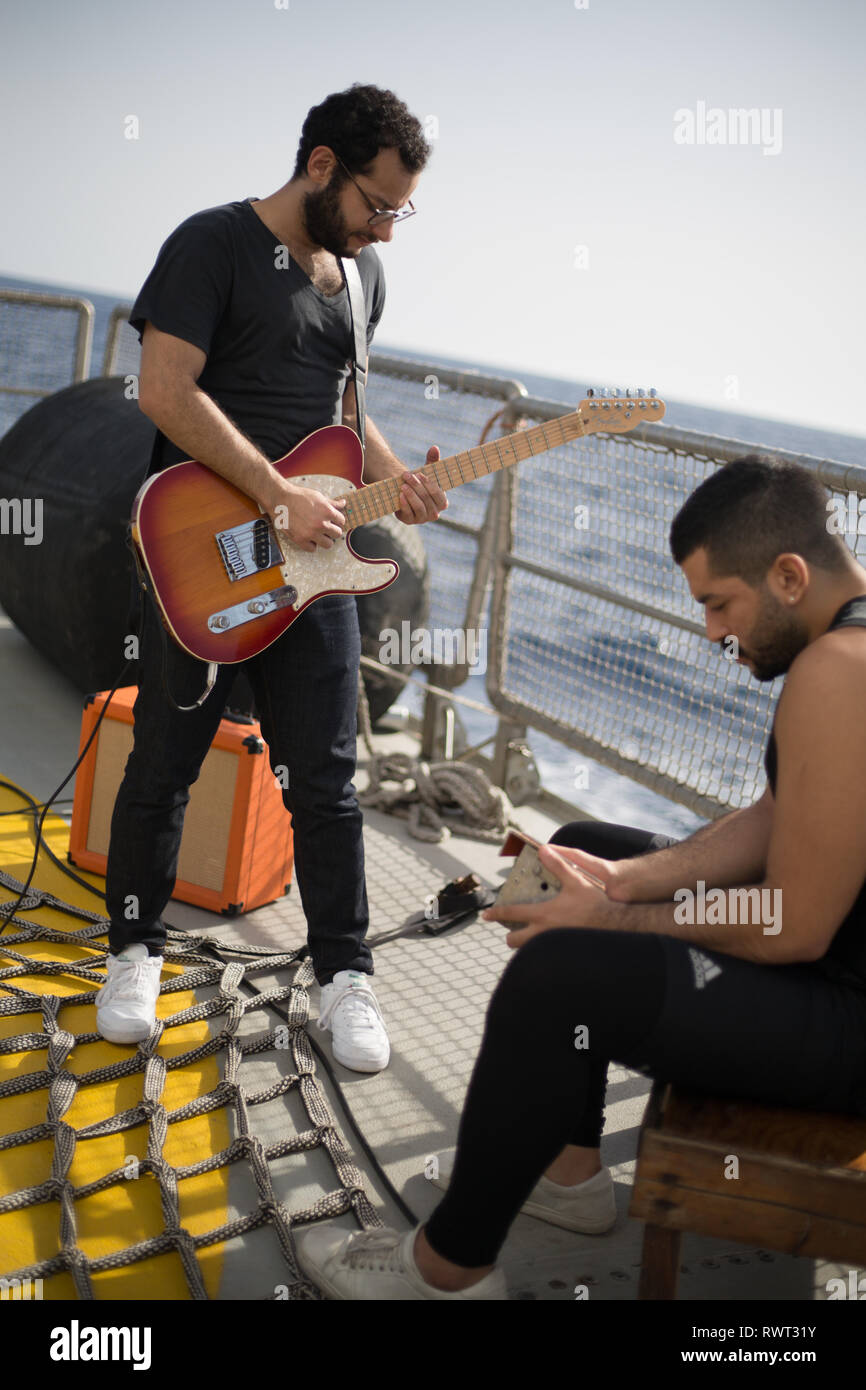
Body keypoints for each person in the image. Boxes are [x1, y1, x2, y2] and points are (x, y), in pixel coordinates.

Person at [296, 454, 866, 1298]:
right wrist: (626, 877)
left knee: (559, 977)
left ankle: (445, 1274)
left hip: (844, 1024)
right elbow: (778, 817)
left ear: (787, 575)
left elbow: (795, 924)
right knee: (576, 841)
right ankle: (569, 1178)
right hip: (833, 965)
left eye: (718, 605)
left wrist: (612, 919)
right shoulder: (849, 637)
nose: (711, 632)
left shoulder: (837, 673)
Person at [96, 85, 447, 1069]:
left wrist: (394, 480)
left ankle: (344, 977)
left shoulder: (364, 277)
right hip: (200, 549)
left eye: (400, 211)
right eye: (379, 203)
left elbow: (344, 407)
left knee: (327, 783)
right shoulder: (209, 245)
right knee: (165, 762)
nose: (386, 228)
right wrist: (275, 490)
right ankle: (132, 949)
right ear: (323, 165)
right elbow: (165, 391)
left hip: (314, 566)